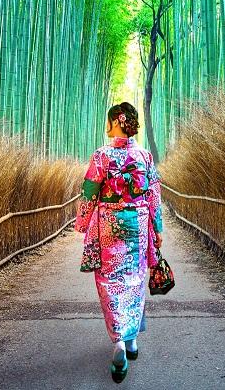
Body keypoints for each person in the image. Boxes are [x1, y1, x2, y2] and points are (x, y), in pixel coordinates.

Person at [75, 102, 163, 383]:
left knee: (109, 282)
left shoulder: (101, 156)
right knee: (135, 281)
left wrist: (82, 221)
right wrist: (157, 226)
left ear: (116, 122)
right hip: (137, 222)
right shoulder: (145, 156)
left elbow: (90, 190)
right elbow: (154, 194)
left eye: (109, 120)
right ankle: (132, 339)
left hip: (109, 224)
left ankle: (119, 343)